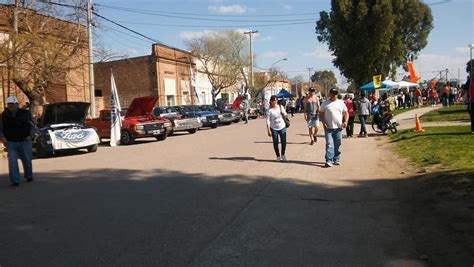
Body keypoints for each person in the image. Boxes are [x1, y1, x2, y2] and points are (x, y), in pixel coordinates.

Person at [0, 96, 34, 187]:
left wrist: (31, 135)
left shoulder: (25, 113)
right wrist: (2, 137)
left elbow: (31, 125)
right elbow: (0, 128)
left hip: (25, 140)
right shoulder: (4, 115)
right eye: (9, 104)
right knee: (12, 162)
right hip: (11, 142)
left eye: (12, 104)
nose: (11, 106)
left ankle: (28, 175)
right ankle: (15, 181)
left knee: (27, 160)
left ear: (17, 104)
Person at [319, 88, 349, 167]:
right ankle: (329, 160)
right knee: (329, 144)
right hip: (328, 128)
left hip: (339, 128)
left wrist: (345, 121)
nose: (334, 96)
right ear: (330, 94)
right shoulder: (325, 103)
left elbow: (346, 113)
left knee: (338, 144)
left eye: (335, 94)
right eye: (332, 94)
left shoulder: (341, 103)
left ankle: (336, 158)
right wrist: (323, 122)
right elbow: (321, 114)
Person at [266, 95, 288, 161]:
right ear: (271, 101)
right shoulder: (269, 110)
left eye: (275, 100)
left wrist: (284, 114)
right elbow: (268, 121)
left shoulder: (280, 107)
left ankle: (283, 155)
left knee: (283, 141)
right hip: (274, 128)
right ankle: (278, 156)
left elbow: (285, 114)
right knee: (275, 142)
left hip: (282, 126)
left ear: (277, 101)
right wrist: (268, 130)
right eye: (273, 100)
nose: (274, 102)